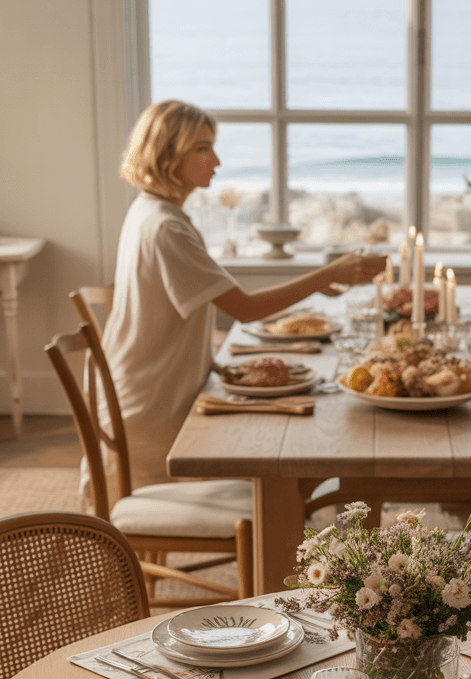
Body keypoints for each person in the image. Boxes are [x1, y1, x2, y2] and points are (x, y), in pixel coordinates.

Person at [95, 99, 386, 495]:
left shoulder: (149, 211)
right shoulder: (167, 228)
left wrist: (319, 282)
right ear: (167, 154)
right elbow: (244, 309)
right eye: (202, 148)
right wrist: (326, 275)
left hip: (137, 388)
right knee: (289, 461)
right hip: (155, 410)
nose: (215, 160)